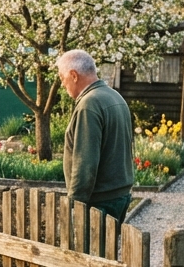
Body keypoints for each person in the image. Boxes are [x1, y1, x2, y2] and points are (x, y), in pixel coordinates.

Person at [57, 49, 133, 224]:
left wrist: (74, 204)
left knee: (91, 251)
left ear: (74, 75)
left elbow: (85, 162)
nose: (62, 84)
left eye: (62, 78)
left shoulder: (89, 104)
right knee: (108, 250)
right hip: (118, 195)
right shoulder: (115, 97)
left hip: (99, 202)